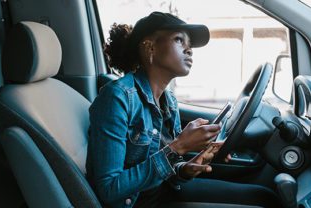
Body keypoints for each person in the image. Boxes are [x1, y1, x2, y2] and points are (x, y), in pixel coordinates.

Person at [86, 11, 281, 208]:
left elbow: (165, 167)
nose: (189, 50)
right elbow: (109, 189)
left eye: (189, 44)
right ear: (149, 47)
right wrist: (179, 146)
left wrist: (185, 170)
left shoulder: (168, 100)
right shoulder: (117, 97)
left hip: (163, 192)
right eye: (179, 40)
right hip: (137, 203)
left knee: (264, 197)